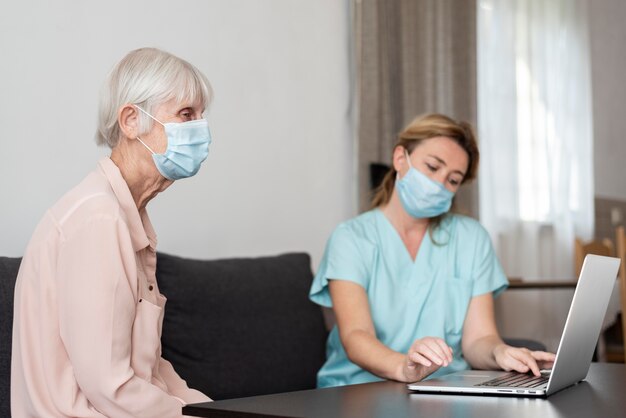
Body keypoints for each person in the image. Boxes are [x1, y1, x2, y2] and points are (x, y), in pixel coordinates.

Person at [11, 48, 213, 417]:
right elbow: (110, 387)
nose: (201, 128)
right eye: (187, 114)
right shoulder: (98, 219)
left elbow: (147, 369)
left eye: (201, 115)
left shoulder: (123, 213)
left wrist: (217, 411)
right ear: (131, 120)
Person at [309, 113, 556, 388]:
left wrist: (500, 352)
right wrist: (404, 368)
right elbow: (357, 335)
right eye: (432, 167)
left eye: (453, 180)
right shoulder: (351, 239)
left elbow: (478, 340)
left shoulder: (472, 239)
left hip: (444, 391)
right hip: (358, 390)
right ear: (400, 159)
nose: (440, 184)